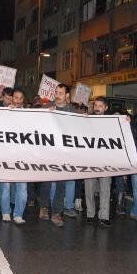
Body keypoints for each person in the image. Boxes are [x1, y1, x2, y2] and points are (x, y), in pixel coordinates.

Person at [39, 84, 77, 227]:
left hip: (64, 154)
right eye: (56, 92)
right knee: (46, 182)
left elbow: (84, 124)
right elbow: (33, 120)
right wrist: (44, 114)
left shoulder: (72, 111)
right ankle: (44, 208)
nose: (57, 95)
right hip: (48, 151)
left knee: (61, 184)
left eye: (61, 93)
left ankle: (56, 213)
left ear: (67, 95)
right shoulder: (47, 107)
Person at [0, 88, 28, 224]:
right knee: (5, 186)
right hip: (6, 154)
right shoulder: (4, 112)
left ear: (23, 100)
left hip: (23, 156)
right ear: (12, 98)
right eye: (16, 97)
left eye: (20, 98)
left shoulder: (30, 115)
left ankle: (18, 214)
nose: (18, 100)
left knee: (22, 187)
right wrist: (6, 113)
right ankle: (5, 212)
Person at [84, 96, 113, 228]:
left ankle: (104, 216)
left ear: (106, 108)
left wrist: (126, 121)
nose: (97, 108)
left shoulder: (112, 122)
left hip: (106, 161)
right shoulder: (87, 120)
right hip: (90, 160)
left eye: (100, 106)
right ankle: (90, 214)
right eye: (95, 105)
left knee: (105, 189)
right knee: (89, 188)